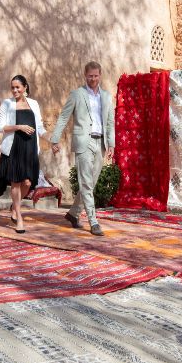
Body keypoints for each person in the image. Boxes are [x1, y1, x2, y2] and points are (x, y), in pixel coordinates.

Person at [50, 61, 115, 236]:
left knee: (90, 183)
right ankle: (93, 222)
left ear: (100, 75)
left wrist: (111, 144)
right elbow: (64, 117)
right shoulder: (77, 94)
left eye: (96, 76)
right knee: (86, 183)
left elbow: (110, 123)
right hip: (83, 143)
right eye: (90, 76)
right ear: (85, 76)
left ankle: (73, 214)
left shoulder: (107, 97)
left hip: (100, 143)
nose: (93, 79)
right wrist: (54, 139)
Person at [0, 74, 47, 233]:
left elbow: (40, 127)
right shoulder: (7, 104)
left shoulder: (34, 104)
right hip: (14, 147)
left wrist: (52, 140)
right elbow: (0, 127)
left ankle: (14, 206)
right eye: (12, 87)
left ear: (25, 87)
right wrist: (19, 127)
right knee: (16, 182)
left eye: (18, 87)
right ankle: (19, 217)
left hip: (30, 149)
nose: (15, 90)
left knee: (28, 183)